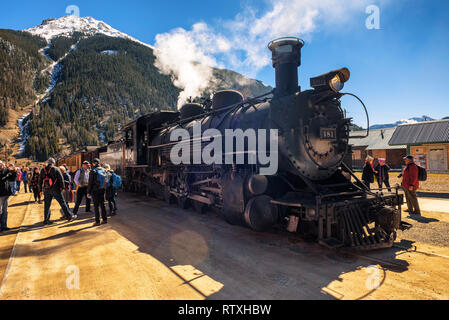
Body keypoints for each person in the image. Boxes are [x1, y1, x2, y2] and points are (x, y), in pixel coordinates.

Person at [39, 158, 77, 225]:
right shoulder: (56, 169)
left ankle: (46, 220)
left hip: (46, 190)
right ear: (54, 163)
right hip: (56, 189)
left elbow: (40, 181)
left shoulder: (43, 170)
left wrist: (40, 190)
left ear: (48, 163)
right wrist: (62, 188)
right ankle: (69, 216)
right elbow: (61, 179)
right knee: (62, 203)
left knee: (47, 205)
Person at [87, 159, 108, 226]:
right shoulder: (104, 170)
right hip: (102, 189)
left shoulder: (93, 171)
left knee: (96, 206)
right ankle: (105, 219)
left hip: (95, 190)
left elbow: (90, 183)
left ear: (93, 164)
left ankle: (97, 221)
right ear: (99, 163)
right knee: (103, 204)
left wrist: (88, 192)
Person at [0, 161, 14, 231]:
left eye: (2, 164)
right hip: (0, 194)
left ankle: (4, 226)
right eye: (1, 165)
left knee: (5, 211)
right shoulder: (4, 172)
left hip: (6, 193)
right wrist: (8, 172)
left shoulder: (5, 171)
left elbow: (12, 179)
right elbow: (2, 179)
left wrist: (13, 172)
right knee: (0, 211)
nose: (1, 166)